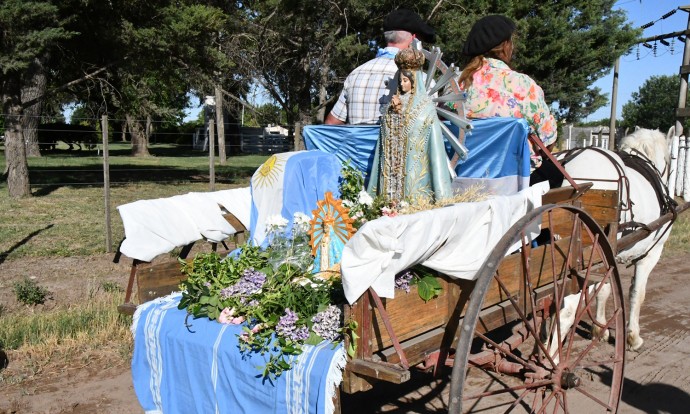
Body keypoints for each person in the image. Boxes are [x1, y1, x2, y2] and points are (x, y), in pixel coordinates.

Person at [459, 15, 558, 172]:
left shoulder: (455, 85)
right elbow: (548, 141)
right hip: (511, 178)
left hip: (461, 173)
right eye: (511, 42)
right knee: (555, 174)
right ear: (505, 46)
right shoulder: (522, 85)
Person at [367, 48, 452, 203]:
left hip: (413, 177)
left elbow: (435, 149)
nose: (402, 84)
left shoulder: (425, 106)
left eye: (405, 81)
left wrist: (442, 195)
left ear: (414, 80)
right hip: (391, 176)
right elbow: (383, 141)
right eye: (400, 80)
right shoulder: (391, 105)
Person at [324, 9, 435, 125]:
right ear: (414, 40)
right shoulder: (423, 81)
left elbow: (331, 123)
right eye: (422, 42)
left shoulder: (355, 75)